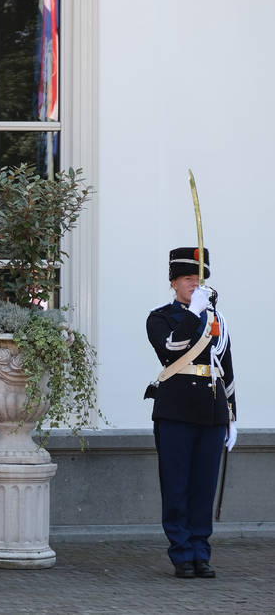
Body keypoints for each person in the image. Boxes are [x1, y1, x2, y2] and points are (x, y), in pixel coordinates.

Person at [145, 247, 236, 579]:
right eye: (187, 279)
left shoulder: (217, 320)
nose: (194, 285)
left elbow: (225, 368)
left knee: (203, 488)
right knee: (177, 486)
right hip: (176, 410)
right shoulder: (161, 318)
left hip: (211, 411)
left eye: (198, 279)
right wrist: (192, 315)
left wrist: (231, 417)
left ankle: (201, 551)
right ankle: (181, 552)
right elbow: (170, 350)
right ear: (173, 283)